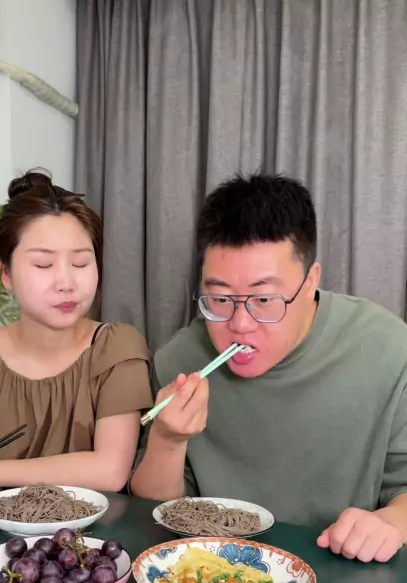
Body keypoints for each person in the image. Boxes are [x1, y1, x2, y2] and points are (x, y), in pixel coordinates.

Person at [131, 173, 407, 563]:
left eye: (263, 299)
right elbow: (153, 513)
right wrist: (168, 439)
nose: (240, 324)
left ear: (311, 280)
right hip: (210, 574)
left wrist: (392, 522)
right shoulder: (180, 359)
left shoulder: (388, 348)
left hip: (341, 572)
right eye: (220, 298)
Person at [0, 170, 153, 525]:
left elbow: (111, 470)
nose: (66, 282)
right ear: (6, 272)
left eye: (81, 262)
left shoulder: (116, 347)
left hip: (96, 544)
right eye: (43, 264)